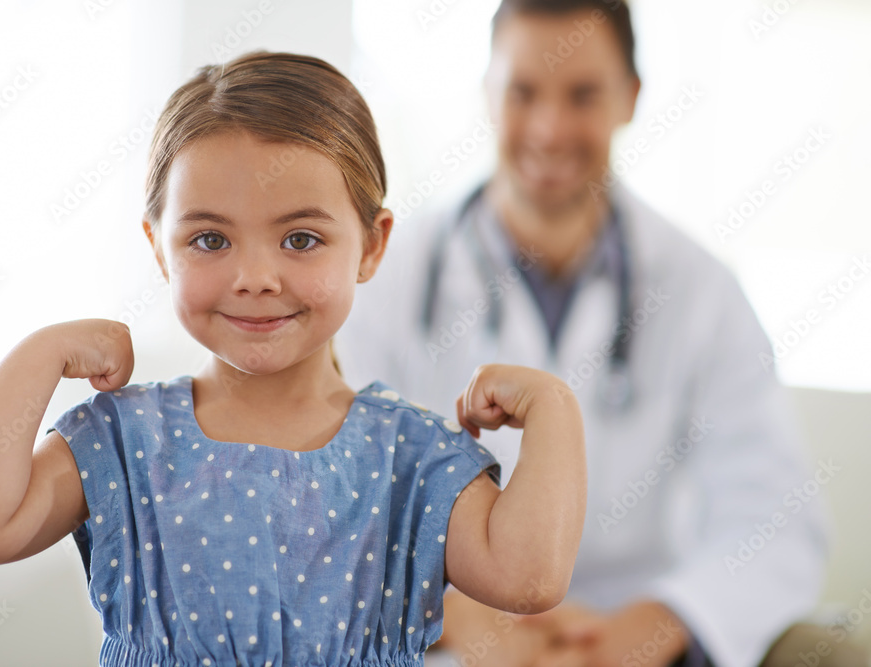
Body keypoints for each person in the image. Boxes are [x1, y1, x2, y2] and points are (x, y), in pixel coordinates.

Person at [0, 52, 588, 667]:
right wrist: (39, 354)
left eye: (300, 238)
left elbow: (528, 580)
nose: (255, 278)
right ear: (159, 249)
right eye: (210, 239)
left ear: (372, 245)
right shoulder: (126, 441)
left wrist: (555, 407)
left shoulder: (409, 457)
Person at [335, 2, 830, 666]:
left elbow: (775, 517)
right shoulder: (389, 274)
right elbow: (331, 501)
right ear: (487, 94)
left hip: (630, 635)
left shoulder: (700, 289)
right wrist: (448, 613)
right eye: (523, 92)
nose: (549, 128)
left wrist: (655, 627)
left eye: (582, 95)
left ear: (631, 97)